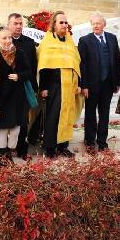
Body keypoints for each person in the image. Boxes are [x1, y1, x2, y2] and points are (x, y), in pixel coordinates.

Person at [0, 13, 37, 160]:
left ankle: (13, 152)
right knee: (3, 129)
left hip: (18, 97)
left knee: (17, 128)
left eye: (9, 38)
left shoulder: (20, 52)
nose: (8, 40)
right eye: (4, 38)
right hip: (1, 97)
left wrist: (19, 76)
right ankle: (3, 156)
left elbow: (30, 70)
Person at [37, 11, 83, 158]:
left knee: (67, 116)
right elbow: (43, 66)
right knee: (53, 117)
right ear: (53, 25)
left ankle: (63, 146)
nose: (64, 25)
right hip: (53, 86)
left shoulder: (70, 41)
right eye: (61, 22)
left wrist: (78, 84)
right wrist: (43, 87)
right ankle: (50, 148)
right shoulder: (47, 41)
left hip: (69, 86)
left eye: (65, 22)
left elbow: (77, 64)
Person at [78, 14, 120, 152]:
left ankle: (102, 142)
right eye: (93, 23)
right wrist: (83, 85)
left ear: (104, 25)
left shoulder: (112, 38)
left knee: (104, 114)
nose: (95, 26)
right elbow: (82, 65)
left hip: (108, 84)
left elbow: (116, 61)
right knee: (90, 114)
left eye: (98, 23)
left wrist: (117, 82)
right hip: (91, 86)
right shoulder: (84, 40)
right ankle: (90, 142)